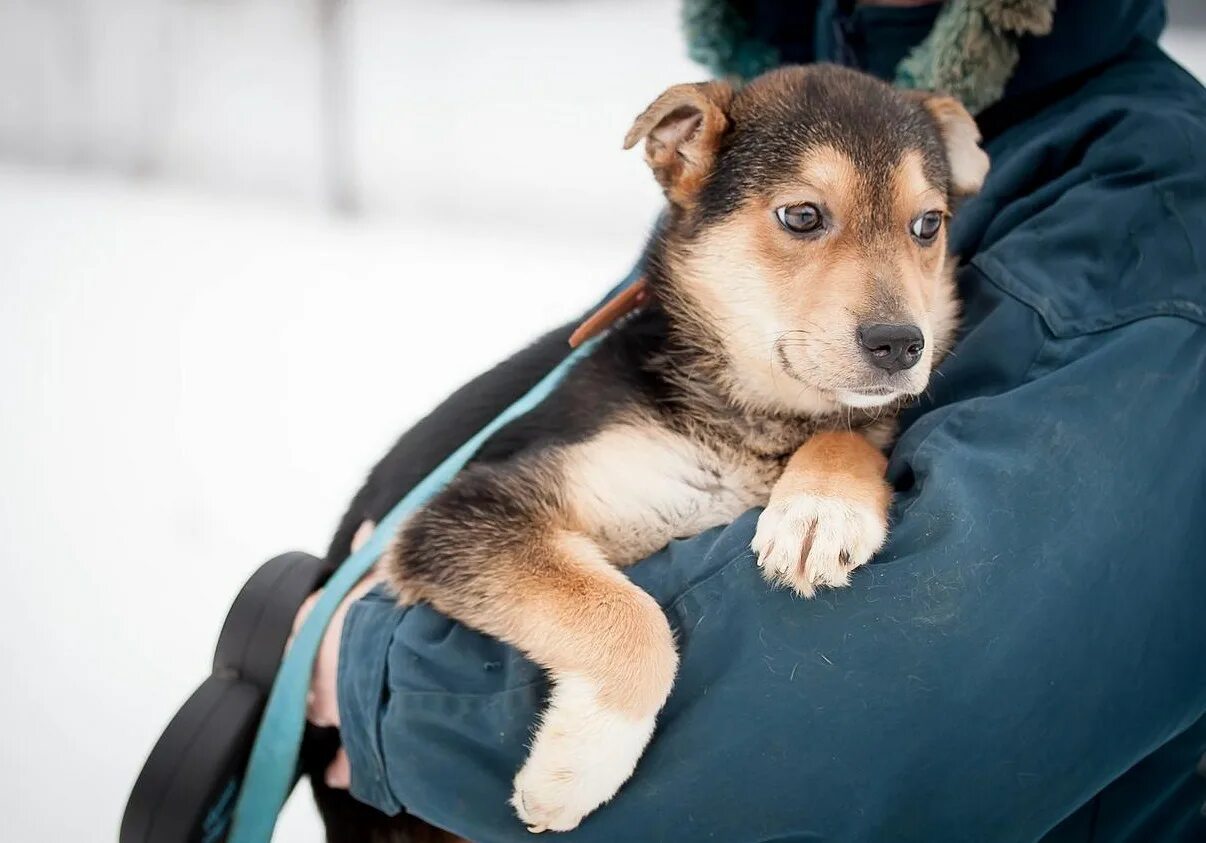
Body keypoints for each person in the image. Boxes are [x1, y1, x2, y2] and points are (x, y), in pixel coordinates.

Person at [298, 0, 1206, 840]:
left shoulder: (1152, 199)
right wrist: (391, 675)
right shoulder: (781, 116)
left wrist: (387, 683)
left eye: (924, 230)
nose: (897, 313)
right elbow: (457, 538)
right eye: (805, 218)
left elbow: (905, 678)